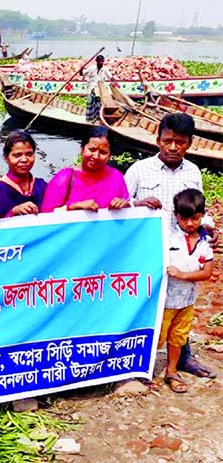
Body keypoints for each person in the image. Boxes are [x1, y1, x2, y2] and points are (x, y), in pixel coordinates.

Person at [125, 112, 218, 379]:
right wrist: (138, 204)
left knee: (182, 305)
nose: (173, 147)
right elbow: (118, 206)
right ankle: (137, 362)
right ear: (158, 141)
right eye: (168, 141)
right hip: (147, 252)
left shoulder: (193, 171)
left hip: (184, 254)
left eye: (180, 142)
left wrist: (209, 226)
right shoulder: (139, 170)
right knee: (146, 304)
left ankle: (184, 357)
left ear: (189, 143)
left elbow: (199, 209)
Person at [159, 188, 214, 393]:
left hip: (187, 300)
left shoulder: (204, 241)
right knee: (158, 337)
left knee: (178, 337)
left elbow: (207, 272)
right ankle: (143, 373)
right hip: (164, 300)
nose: (189, 223)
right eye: (184, 219)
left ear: (202, 215)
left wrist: (182, 275)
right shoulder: (168, 238)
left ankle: (171, 371)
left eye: (195, 218)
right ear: (176, 217)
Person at [41, 126, 130, 213]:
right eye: (92, 150)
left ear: (110, 155)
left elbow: (128, 212)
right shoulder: (64, 178)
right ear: (82, 149)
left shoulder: (116, 177)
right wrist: (73, 207)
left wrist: (125, 205)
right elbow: (46, 216)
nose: (96, 156)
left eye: (103, 152)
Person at [0, 130, 47, 217]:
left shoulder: (41, 186)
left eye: (29, 154)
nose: (24, 160)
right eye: (17, 155)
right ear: (6, 158)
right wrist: (13, 212)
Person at [80, 54, 113, 122]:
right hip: (91, 89)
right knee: (90, 104)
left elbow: (111, 77)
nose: (101, 63)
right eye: (100, 61)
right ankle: (89, 119)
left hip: (99, 90)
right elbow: (82, 74)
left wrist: (115, 82)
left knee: (99, 105)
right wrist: (81, 69)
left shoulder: (105, 69)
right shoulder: (91, 68)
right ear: (96, 61)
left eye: (102, 61)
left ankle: (98, 119)